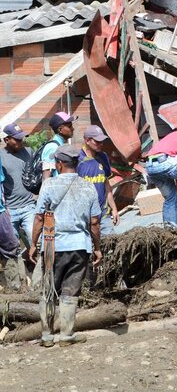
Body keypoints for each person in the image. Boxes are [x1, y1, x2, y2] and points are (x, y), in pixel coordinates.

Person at [28, 144, 102, 347]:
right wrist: (97, 248)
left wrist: (34, 244)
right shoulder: (88, 186)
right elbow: (94, 223)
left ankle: (47, 336)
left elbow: (39, 218)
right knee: (71, 290)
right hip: (79, 245)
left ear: (59, 164)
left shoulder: (49, 185)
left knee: (48, 289)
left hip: (52, 245)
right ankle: (67, 335)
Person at [1, 124, 35, 289]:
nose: (21, 140)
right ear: (6, 139)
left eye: (22, 137)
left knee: (37, 241)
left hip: (28, 206)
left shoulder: (29, 153)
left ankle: (39, 283)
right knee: (12, 248)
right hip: (9, 210)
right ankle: (17, 287)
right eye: (17, 138)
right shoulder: (1, 157)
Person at [77, 126, 119, 236]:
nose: (101, 144)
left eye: (102, 141)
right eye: (97, 141)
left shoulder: (103, 157)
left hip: (103, 213)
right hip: (84, 216)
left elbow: (106, 186)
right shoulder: (78, 160)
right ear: (87, 140)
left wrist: (114, 209)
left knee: (111, 244)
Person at [41, 112, 77, 180]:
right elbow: (46, 177)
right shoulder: (53, 147)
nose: (73, 129)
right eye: (69, 126)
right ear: (60, 130)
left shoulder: (61, 145)